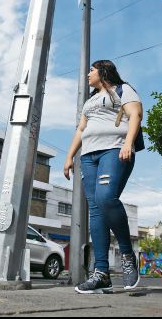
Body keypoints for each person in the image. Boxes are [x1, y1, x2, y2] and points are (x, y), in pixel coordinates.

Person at [63, 60, 143, 294]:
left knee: (107, 198)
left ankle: (127, 254)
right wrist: (69, 157)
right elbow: (81, 129)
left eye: (91, 70)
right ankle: (101, 273)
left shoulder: (122, 89)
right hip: (88, 156)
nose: (88, 74)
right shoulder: (90, 101)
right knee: (96, 210)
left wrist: (128, 143)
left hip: (114, 149)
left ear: (103, 71)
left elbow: (135, 115)